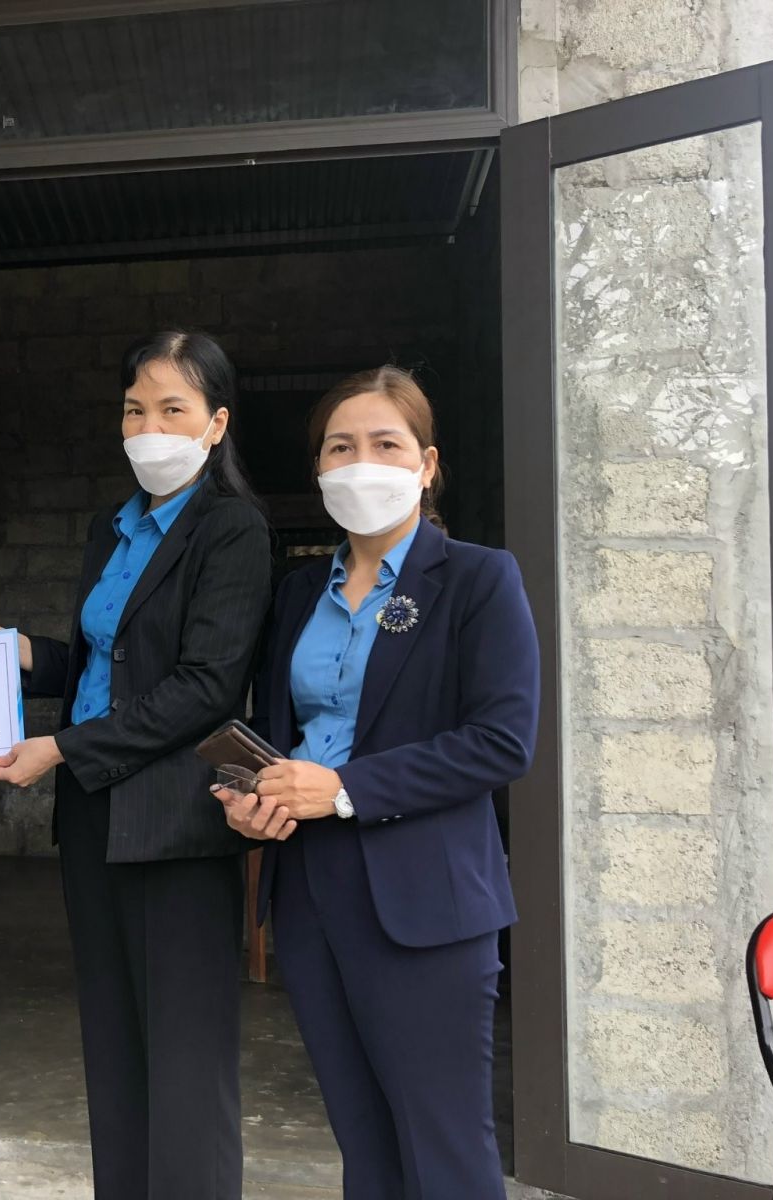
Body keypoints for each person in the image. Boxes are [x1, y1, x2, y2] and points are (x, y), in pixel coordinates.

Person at [0, 331, 272, 1200]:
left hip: (176, 820)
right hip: (95, 813)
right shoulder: (112, 527)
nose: (149, 427)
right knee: (114, 1040)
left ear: (216, 423)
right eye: (135, 409)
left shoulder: (231, 530)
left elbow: (204, 687)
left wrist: (60, 748)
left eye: (173, 409)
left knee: (185, 1052)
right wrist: (15, 650)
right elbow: (107, 666)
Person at [220, 365, 539, 1200]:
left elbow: (501, 742)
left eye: (385, 444)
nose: (361, 462)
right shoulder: (298, 593)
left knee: (443, 1146)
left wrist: (343, 788)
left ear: (426, 465)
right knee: (363, 1140)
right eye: (340, 447)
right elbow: (283, 732)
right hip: (309, 887)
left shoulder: (477, 578)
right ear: (319, 469)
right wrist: (256, 797)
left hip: (424, 895)